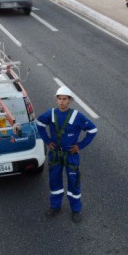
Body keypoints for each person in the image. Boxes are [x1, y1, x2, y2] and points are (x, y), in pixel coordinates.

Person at [35, 87, 97, 223]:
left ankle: (76, 210)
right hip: (56, 155)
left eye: (64, 99)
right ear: (56, 100)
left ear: (70, 101)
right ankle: (55, 207)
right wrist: (47, 140)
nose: (61, 102)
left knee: (74, 182)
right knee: (54, 181)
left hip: (71, 156)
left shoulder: (77, 116)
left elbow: (93, 130)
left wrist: (80, 146)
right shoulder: (50, 114)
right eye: (59, 99)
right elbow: (39, 123)